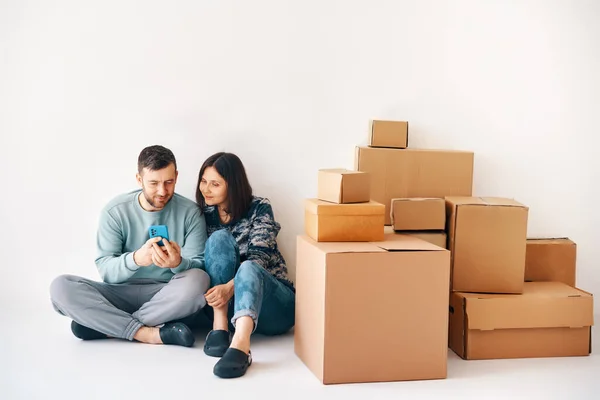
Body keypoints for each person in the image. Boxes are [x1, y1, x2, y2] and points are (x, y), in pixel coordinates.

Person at [50, 145, 210, 347]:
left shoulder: (191, 213)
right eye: (153, 183)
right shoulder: (115, 211)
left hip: (167, 296)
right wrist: (135, 259)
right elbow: (107, 271)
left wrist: (178, 263)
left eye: (169, 182)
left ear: (177, 176)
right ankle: (148, 334)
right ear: (139, 179)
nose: (162, 191)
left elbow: (199, 265)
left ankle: (107, 325)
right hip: (119, 294)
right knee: (61, 287)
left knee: (199, 280)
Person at [196, 152, 295, 378]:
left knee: (249, 267)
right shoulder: (203, 214)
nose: (206, 189)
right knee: (218, 239)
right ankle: (220, 329)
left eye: (215, 184)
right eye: (203, 181)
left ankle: (241, 345)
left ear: (232, 185)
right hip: (230, 307)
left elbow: (259, 258)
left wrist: (229, 287)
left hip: (274, 305)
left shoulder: (259, 207)